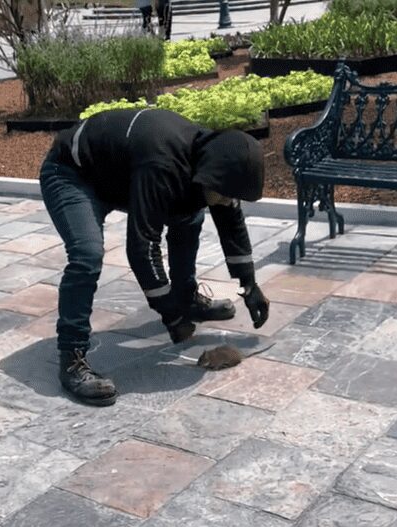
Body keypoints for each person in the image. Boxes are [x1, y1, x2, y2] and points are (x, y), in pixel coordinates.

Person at [39, 108, 272, 406]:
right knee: (87, 254)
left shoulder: (212, 158)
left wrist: (249, 285)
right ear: (213, 175)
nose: (228, 200)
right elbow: (142, 248)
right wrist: (171, 315)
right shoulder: (162, 164)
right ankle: (72, 359)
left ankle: (187, 298)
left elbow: (231, 221)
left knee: (190, 214)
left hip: (118, 174)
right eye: (226, 193)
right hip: (71, 174)